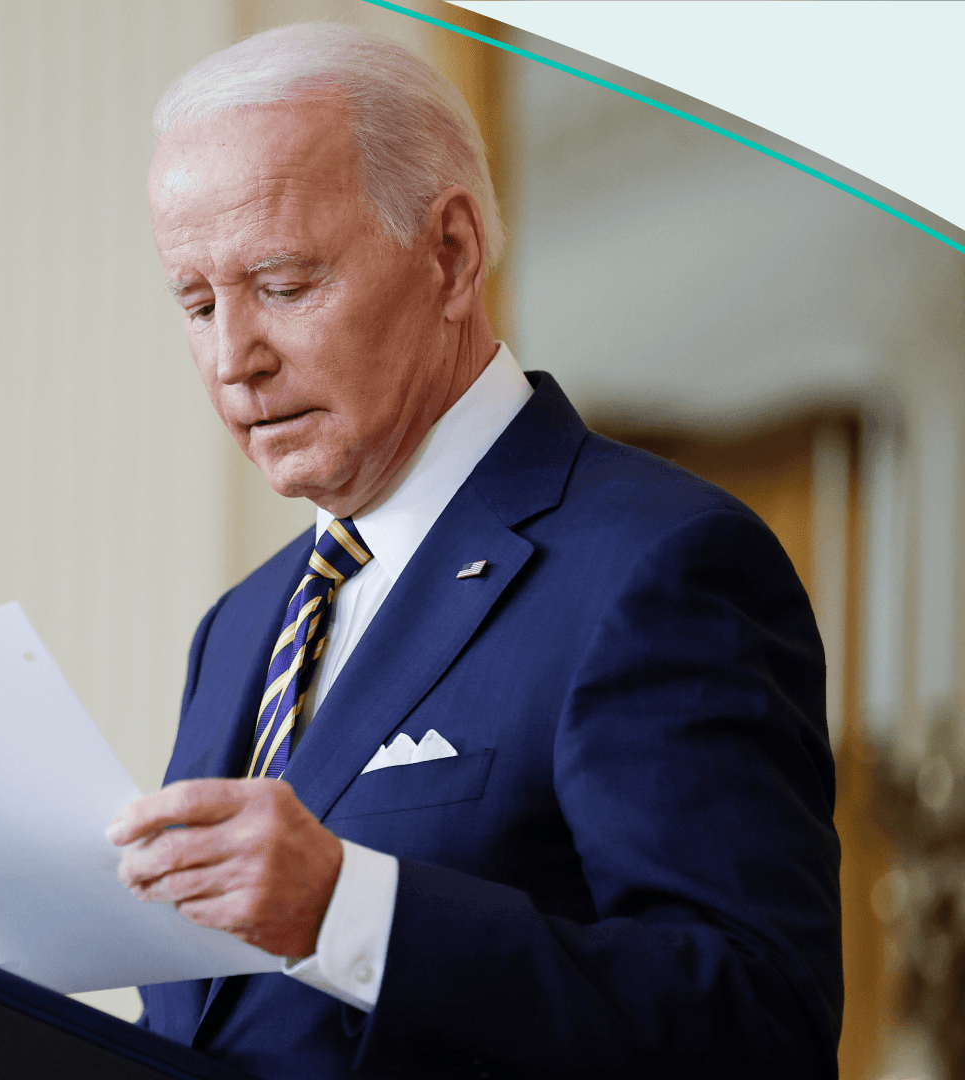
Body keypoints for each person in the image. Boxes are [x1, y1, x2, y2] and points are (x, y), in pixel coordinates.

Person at [104, 24, 840, 1079]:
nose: (235, 360)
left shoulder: (661, 567)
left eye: (282, 284)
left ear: (449, 255)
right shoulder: (238, 628)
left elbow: (756, 1029)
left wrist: (352, 912)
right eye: (198, 302)